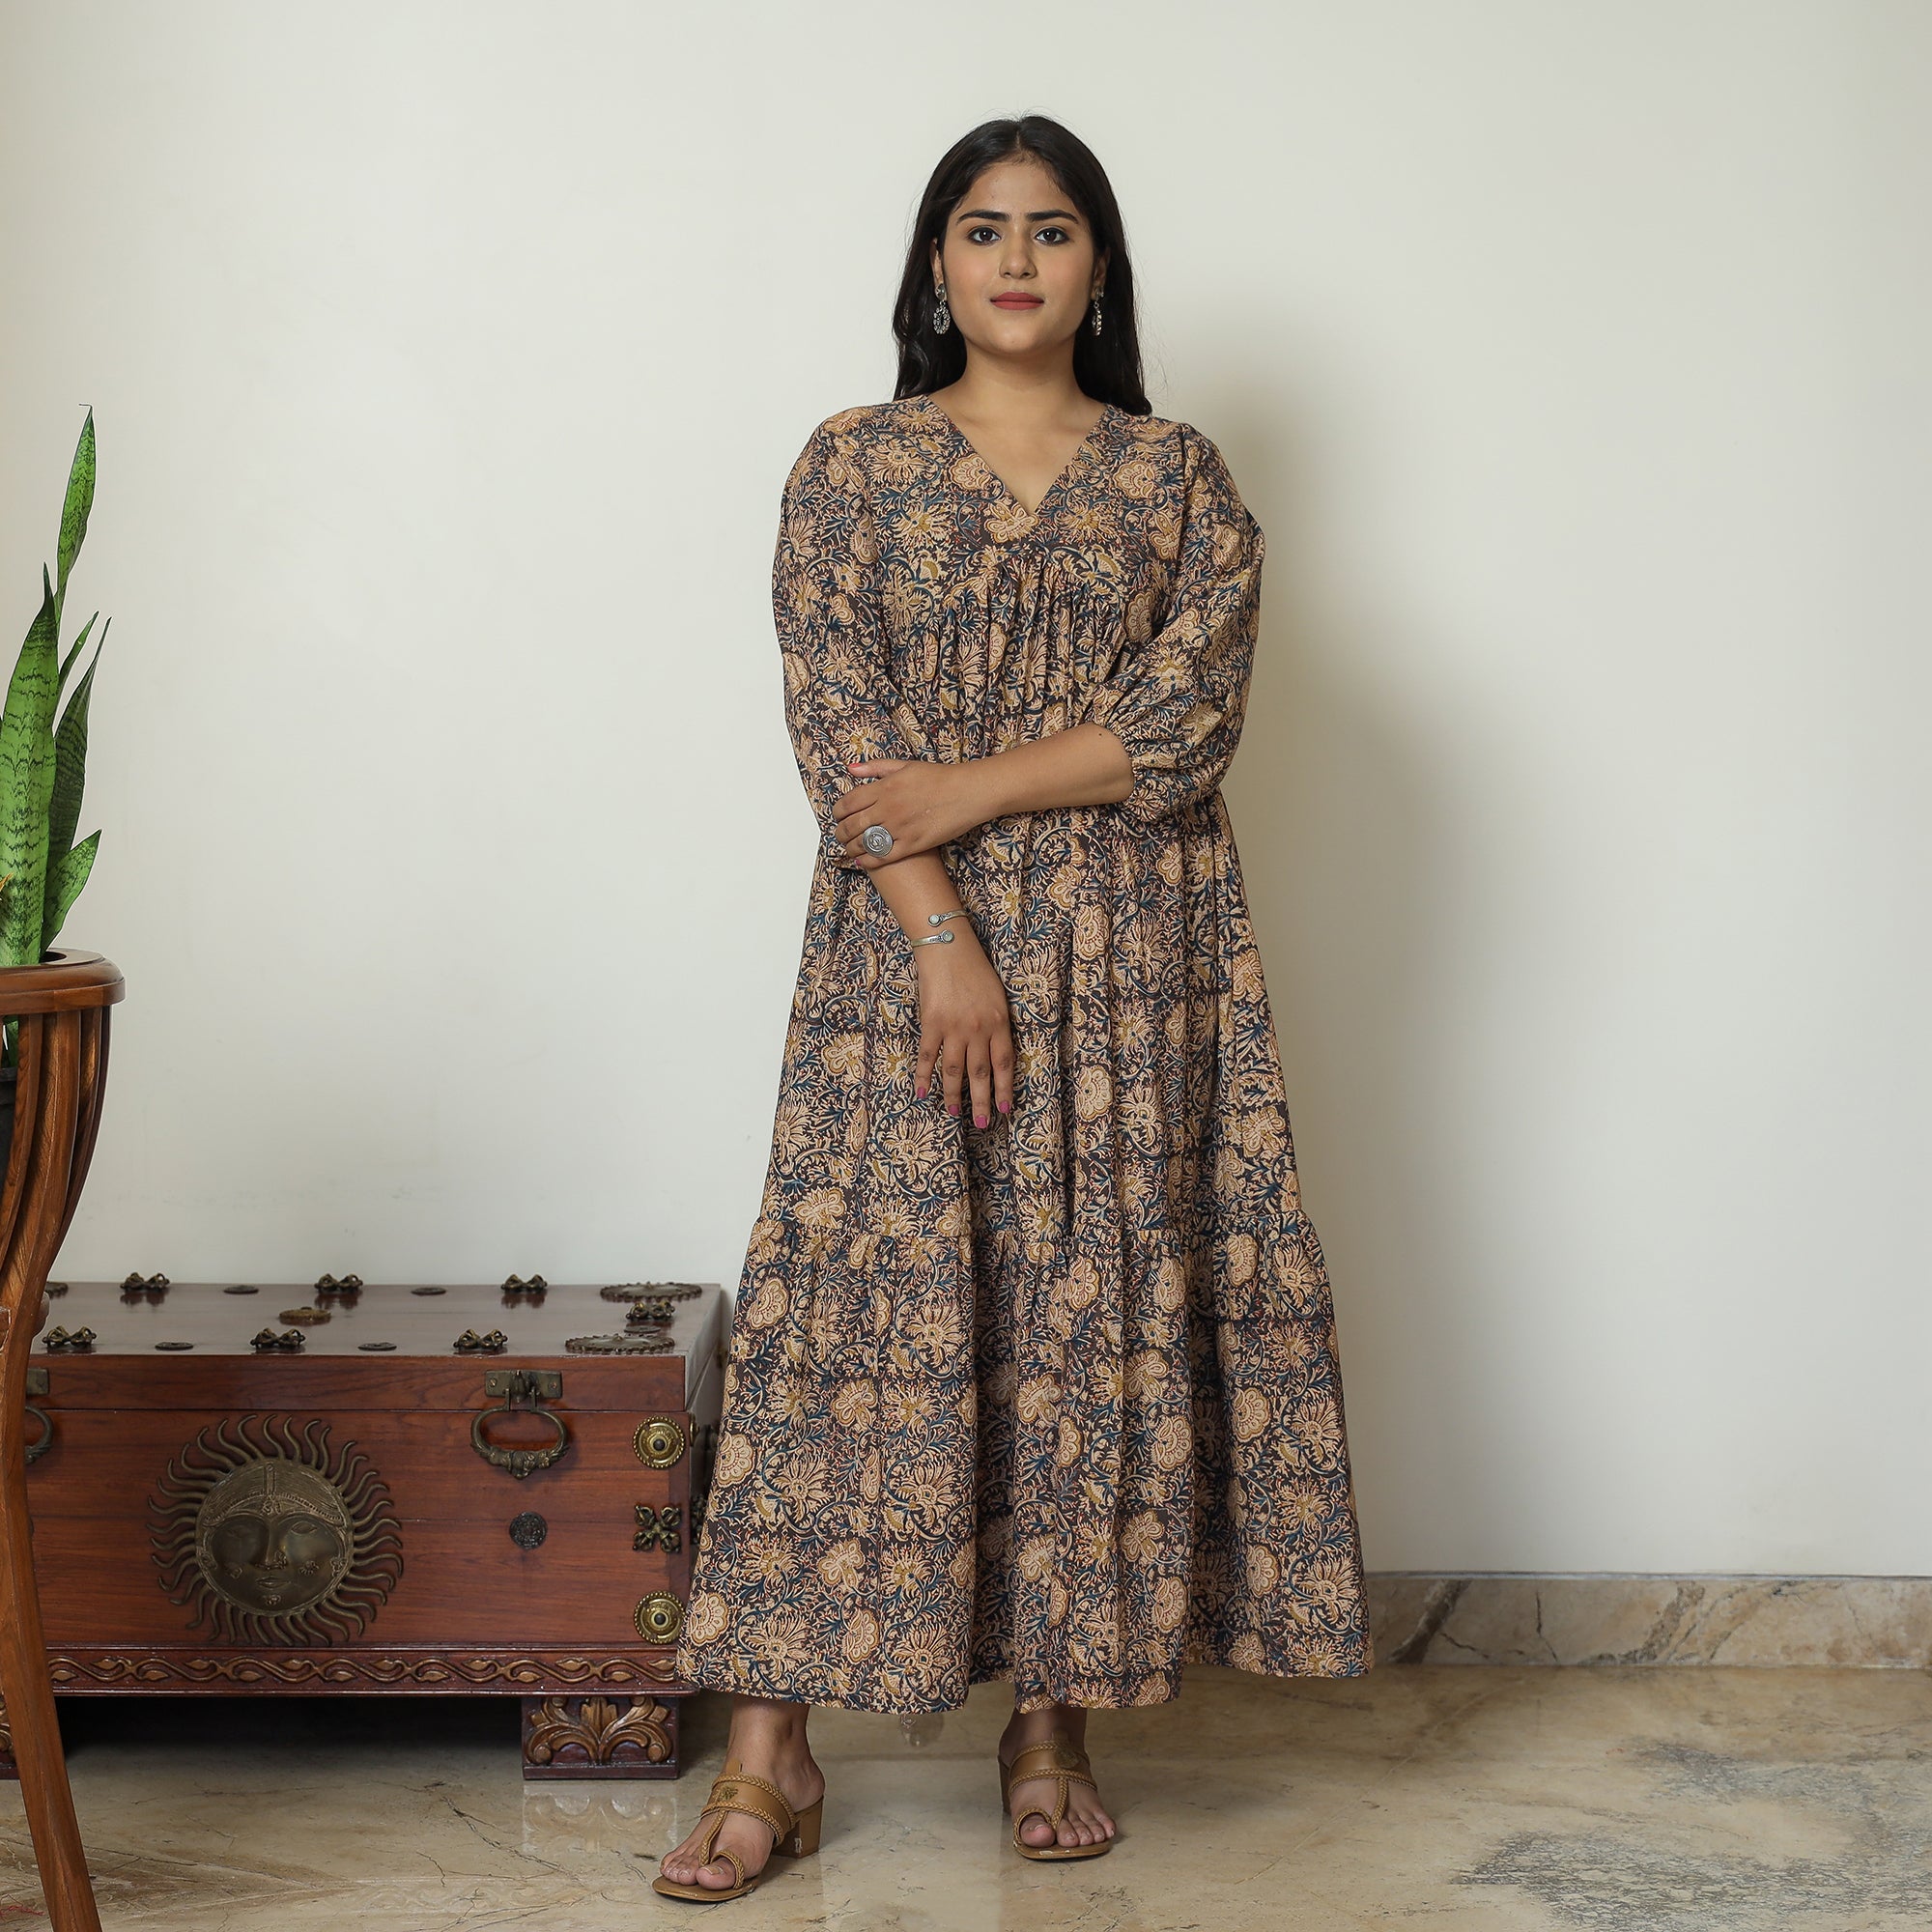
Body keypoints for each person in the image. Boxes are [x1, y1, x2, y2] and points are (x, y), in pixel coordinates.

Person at [655, 112, 1371, 1904]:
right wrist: (942, 937)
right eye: (982, 229)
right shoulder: (854, 463)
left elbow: (1186, 723)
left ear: (1100, 267)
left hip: (1134, 963)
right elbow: (839, 725)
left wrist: (964, 788)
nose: (1018, 260)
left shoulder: (1177, 477)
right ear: (935, 267)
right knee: (850, 1309)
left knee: (1082, 1314)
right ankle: (769, 1755)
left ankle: (1053, 1729)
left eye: (1052, 230)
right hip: (905, 958)